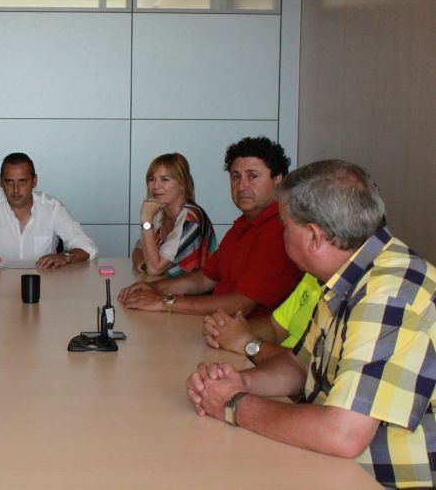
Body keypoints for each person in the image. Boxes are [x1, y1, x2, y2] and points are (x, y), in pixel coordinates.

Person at [186, 160, 435, 488]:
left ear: (314, 237)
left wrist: (233, 404)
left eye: (285, 227)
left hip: (380, 480)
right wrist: (240, 382)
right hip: (333, 466)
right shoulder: (350, 275)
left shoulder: (389, 295)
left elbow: (343, 434)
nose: (282, 236)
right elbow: (301, 367)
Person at [119, 136, 302, 317]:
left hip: (245, 331)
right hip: (216, 324)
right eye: (235, 177)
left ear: (278, 179)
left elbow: (240, 305)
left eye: (252, 176)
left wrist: (164, 302)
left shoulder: (280, 230)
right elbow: (205, 279)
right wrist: (153, 288)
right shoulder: (243, 224)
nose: (241, 186)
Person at [0, 152, 98, 269]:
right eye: (9, 182)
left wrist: (66, 257)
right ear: (1, 182)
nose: (16, 190)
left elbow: (88, 248)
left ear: (34, 181)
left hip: (45, 285)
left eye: (22, 181)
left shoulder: (53, 208)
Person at [201, 273, 322, 364]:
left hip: (288, 386)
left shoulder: (334, 297)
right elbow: (275, 328)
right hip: (271, 375)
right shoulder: (313, 276)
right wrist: (226, 329)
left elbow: (309, 366)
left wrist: (248, 344)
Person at [131, 153, 217, 277]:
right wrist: (144, 265)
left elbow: (154, 269)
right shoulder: (159, 212)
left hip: (200, 290)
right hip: (169, 286)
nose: (155, 186)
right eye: (151, 179)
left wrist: (146, 221)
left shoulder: (190, 219)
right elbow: (139, 248)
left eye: (165, 179)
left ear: (183, 184)